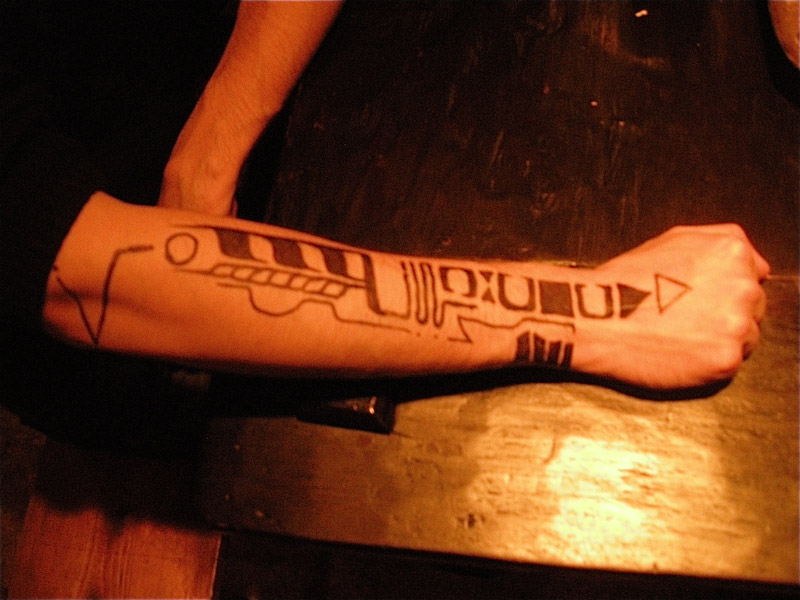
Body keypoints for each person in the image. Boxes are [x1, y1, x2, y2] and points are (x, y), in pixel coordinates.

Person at [0, 1, 772, 451]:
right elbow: (80, 270)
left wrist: (214, 137)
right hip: (139, 349)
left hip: (267, 116)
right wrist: (599, 313)